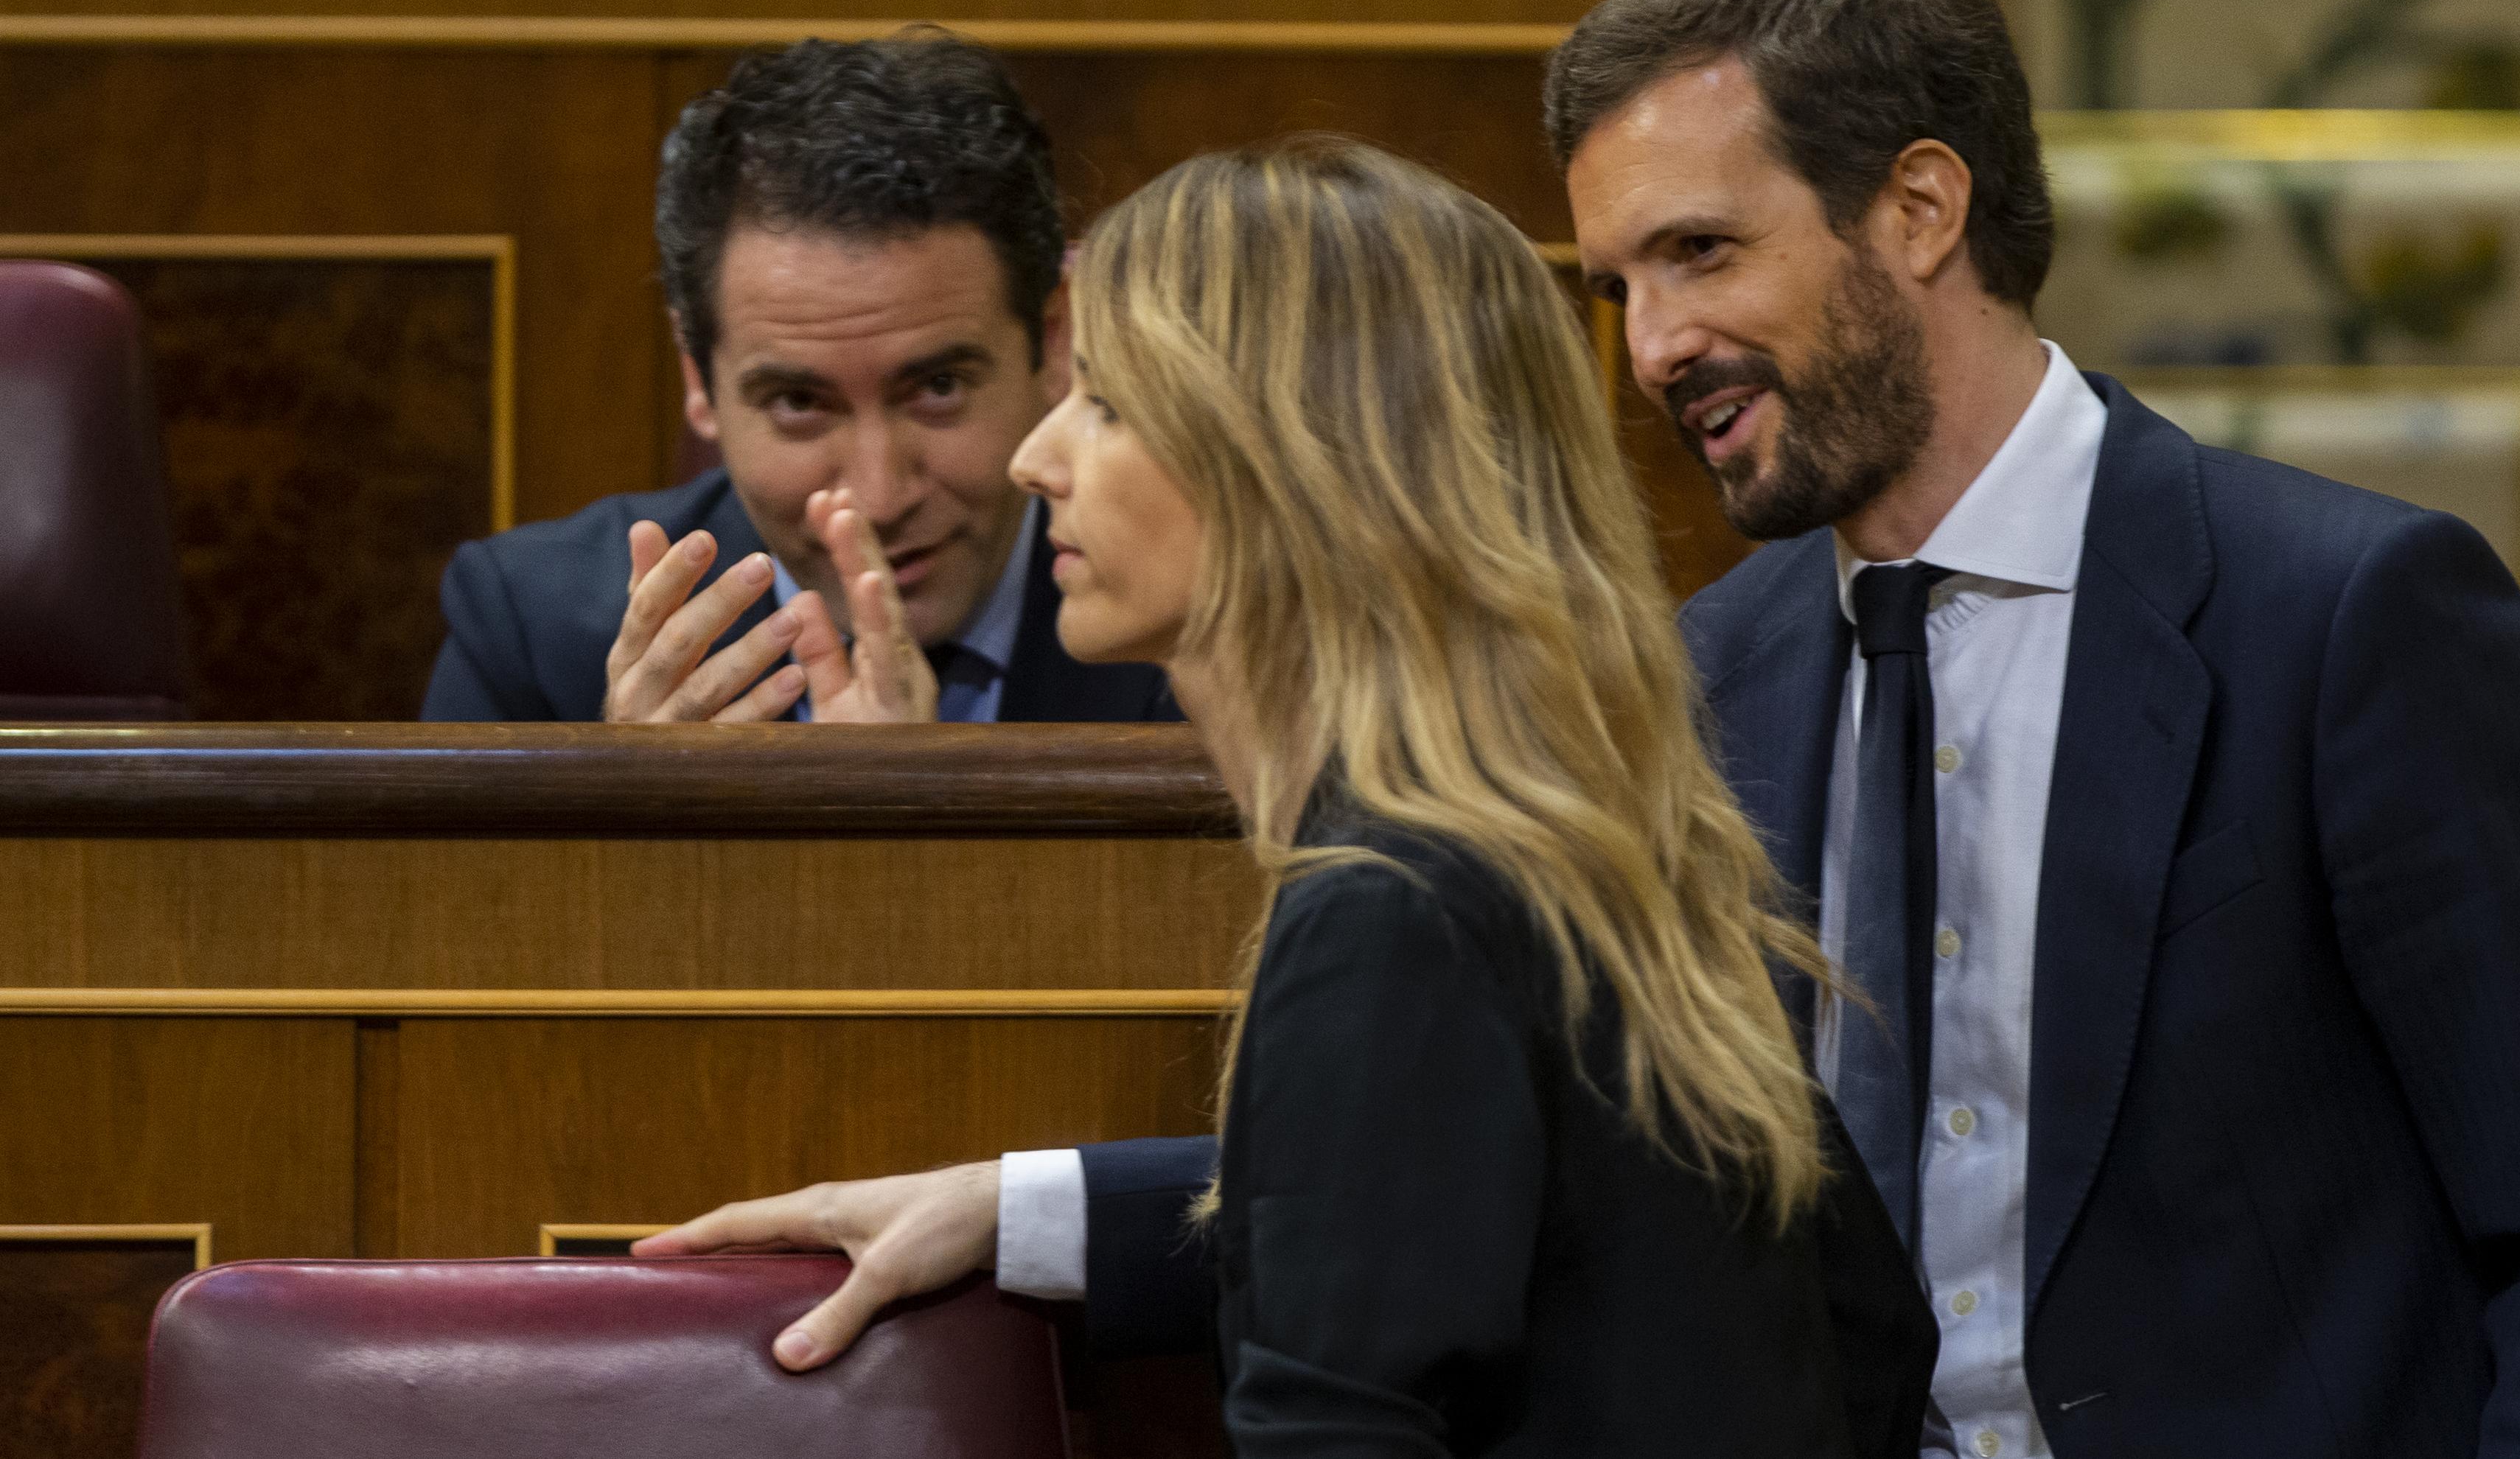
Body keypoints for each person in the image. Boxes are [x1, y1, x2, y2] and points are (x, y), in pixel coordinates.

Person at [661, 0, 2520, 1459]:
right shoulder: (1706, 669)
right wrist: (1036, 1209)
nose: (1652, 348)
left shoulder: (2351, 615)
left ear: (1916, 208)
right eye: (1614, 284)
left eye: (1701, 254)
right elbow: (1580, 1156)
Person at [637, 139, 1939, 1455]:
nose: (1037, 458)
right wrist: (1021, 1205)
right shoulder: (1577, 857)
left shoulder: (1388, 909)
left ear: (1281, 457)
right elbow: (1864, 1337)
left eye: (1102, 400)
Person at [420, 33, 1175, 725]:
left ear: (1054, 341)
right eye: (799, 403)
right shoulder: (533, 635)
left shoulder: (1196, 617)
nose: (878, 501)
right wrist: (636, 837)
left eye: (939, 387)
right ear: (698, 377)